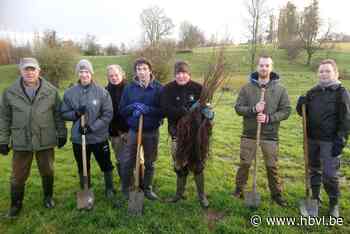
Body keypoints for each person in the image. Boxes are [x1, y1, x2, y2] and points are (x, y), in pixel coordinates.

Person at [0, 57, 67, 217]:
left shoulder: (51, 91)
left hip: (45, 138)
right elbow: (4, 118)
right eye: (26, 69)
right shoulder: (9, 92)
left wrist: (62, 133)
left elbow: (58, 115)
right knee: (18, 175)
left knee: (48, 170)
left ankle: (48, 197)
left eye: (32, 69)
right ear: (20, 71)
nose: (30, 72)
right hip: (21, 140)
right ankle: (16, 205)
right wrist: (2, 140)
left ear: (39, 71)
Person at [233, 55, 291, 207]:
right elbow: (238, 108)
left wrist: (268, 118)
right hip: (250, 134)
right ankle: (238, 190)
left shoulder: (280, 89)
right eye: (261, 65)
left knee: (272, 166)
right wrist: (253, 109)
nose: (264, 68)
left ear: (271, 68)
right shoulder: (246, 88)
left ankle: (276, 194)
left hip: (270, 135)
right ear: (257, 67)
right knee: (245, 164)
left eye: (267, 65)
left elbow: (286, 110)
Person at [296, 59, 350, 217]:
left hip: (330, 141)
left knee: (330, 174)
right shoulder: (312, 92)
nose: (324, 74)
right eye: (321, 71)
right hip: (312, 139)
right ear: (317, 74)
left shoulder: (341, 92)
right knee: (314, 170)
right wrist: (300, 105)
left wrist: (341, 140)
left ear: (335, 73)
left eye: (327, 71)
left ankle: (334, 203)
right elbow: (303, 113)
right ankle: (315, 198)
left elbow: (347, 119)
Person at [60, 59, 116, 201]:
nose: (84, 74)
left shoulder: (102, 92)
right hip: (79, 139)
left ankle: (109, 188)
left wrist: (91, 128)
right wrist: (76, 114)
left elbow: (108, 114)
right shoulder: (69, 93)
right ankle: (86, 189)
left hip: (98, 137)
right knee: (83, 166)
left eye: (86, 71)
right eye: (81, 72)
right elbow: (63, 113)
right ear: (77, 74)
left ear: (91, 73)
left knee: (106, 164)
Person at [160, 61, 213, 208]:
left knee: (197, 164)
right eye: (178, 73)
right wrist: (184, 112)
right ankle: (179, 194)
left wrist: (208, 113)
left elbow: (207, 106)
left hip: (197, 135)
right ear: (175, 74)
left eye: (184, 73)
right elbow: (165, 109)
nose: (181, 76)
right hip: (176, 133)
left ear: (189, 74)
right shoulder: (168, 89)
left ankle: (202, 196)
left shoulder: (199, 88)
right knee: (179, 163)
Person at [119, 58, 163, 200]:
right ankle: (126, 188)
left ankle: (147, 188)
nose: (142, 72)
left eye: (144, 69)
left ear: (150, 70)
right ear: (135, 72)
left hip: (151, 131)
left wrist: (148, 110)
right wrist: (132, 107)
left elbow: (163, 111)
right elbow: (122, 110)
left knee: (150, 162)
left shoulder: (158, 88)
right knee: (127, 161)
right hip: (134, 130)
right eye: (138, 69)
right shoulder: (129, 88)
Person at [105, 64, 129, 197]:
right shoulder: (105, 91)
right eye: (111, 76)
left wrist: (128, 130)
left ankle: (139, 183)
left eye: (116, 75)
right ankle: (125, 183)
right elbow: (107, 114)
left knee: (136, 158)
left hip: (131, 131)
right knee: (120, 159)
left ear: (122, 74)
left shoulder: (130, 89)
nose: (114, 78)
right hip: (115, 132)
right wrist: (118, 131)